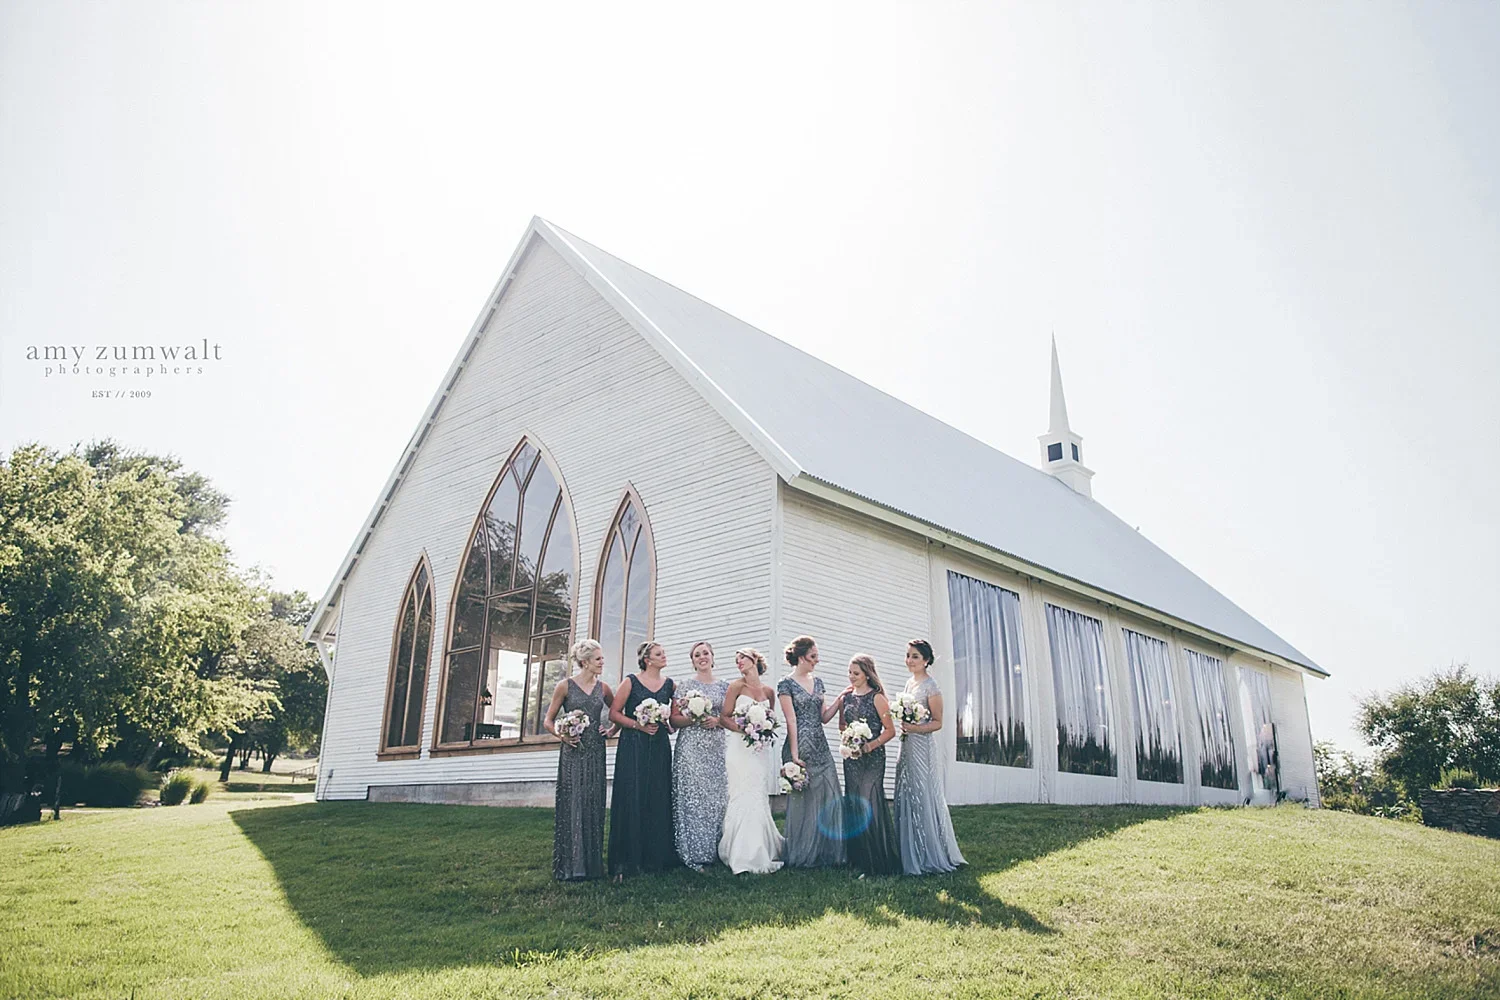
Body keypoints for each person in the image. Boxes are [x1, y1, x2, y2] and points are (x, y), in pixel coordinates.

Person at [892, 639, 966, 875]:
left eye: (915, 656)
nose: (909, 660)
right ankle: (907, 847)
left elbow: (938, 722)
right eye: (907, 655)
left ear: (926, 660)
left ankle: (927, 849)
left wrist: (915, 729)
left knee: (922, 791)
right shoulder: (908, 684)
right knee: (906, 788)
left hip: (922, 745)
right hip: (907, 744)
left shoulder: (931, 686)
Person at [543, 638, 614, 881]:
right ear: (584, 662)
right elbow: (548, 721)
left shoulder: (603, 688)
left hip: (596, 752)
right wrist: (562, 735)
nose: (602, 662)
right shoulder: (565, 686)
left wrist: (611, 730)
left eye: (602, 658)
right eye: (598, 659)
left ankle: (593, 865)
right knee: (573, 803)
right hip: (573, 752)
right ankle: (571, 864)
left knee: (593, 803)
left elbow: (616, 714)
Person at [607, 641, 678, 881]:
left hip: (658, 747)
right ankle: (627, 858)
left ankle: (656, 857)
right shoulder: (631, 682)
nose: (664, 656)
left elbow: (673, 718)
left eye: (663, 652)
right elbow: (614, 713)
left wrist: (667, 723)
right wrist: (638, 725)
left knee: (657, 794)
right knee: (633, 794)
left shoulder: (670, 685)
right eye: (659, 654)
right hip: (634, 746)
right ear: (648, 660)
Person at [777, 635, 847, 867]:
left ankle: (827, 852)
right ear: (800, 657)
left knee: (829, 795)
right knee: (802, 800)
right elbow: (791, 721)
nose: (817, 660)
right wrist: (794, 755)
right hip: (799, 744)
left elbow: (824, 717)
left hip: (820, 745)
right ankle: (802, 852)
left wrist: (840, 699)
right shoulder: (785, 684)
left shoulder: (818, 683)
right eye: (813, 656)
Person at [717, 648, 785, 874]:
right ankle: (740, 853)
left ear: (754, 659)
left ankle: (760, 848)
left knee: (758, 794)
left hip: (759, 751)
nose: (739, 663)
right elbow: (723, 717)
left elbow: (771, 720)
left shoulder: (769, 691)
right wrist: (745, 729)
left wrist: (762, 731)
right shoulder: (736, 687)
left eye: (742, 658)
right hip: (739, 748)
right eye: (736, 660)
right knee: (741, 793)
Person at [839, 654, 902, 875]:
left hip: (873, 759)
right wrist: (849, 741)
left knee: (869, 803)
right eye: (849, 673)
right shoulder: (846, 698)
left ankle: (878, 862)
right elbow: (842, 726)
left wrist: (870, 745)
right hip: (852, 760)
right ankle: (858, 860)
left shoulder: (877, 698)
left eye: (856, 673)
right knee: (855, 805)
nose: (851, 677)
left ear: (867, 673)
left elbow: (890, 731)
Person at [671, 640, 728, 871]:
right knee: (693, 799)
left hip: (717, 747)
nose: (702, 657)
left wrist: (718, 720)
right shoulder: (685, 685)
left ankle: (717, 850)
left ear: (713, 657)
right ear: (693, 661)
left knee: (717, 798)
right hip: (691, 748)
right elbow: (674, 720)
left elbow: (730, 717)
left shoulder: (725, 686)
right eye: (697, 655)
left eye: (705, 653)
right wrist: (693, 719)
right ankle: (694, 852)